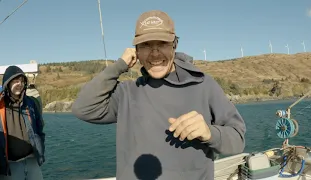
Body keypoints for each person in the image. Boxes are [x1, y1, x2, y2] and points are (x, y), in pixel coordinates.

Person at [72, 10, 246, 180]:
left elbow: (237, 140)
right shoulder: (126, 93)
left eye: (162, 43)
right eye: (146, 45)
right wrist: (119, 65)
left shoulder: (204, 85)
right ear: (136, 52)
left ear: (174, 45)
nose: (155, 53)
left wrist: (209, 132)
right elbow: (83, 108)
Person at [0, 65, 45, 179]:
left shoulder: (30, 103)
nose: (19, 84)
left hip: (32, 160)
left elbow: (39, 127)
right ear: (7, 83)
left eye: (21, 81)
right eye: (15, 81)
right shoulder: (0, 105)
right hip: (10, 164)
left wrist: (40, 146)